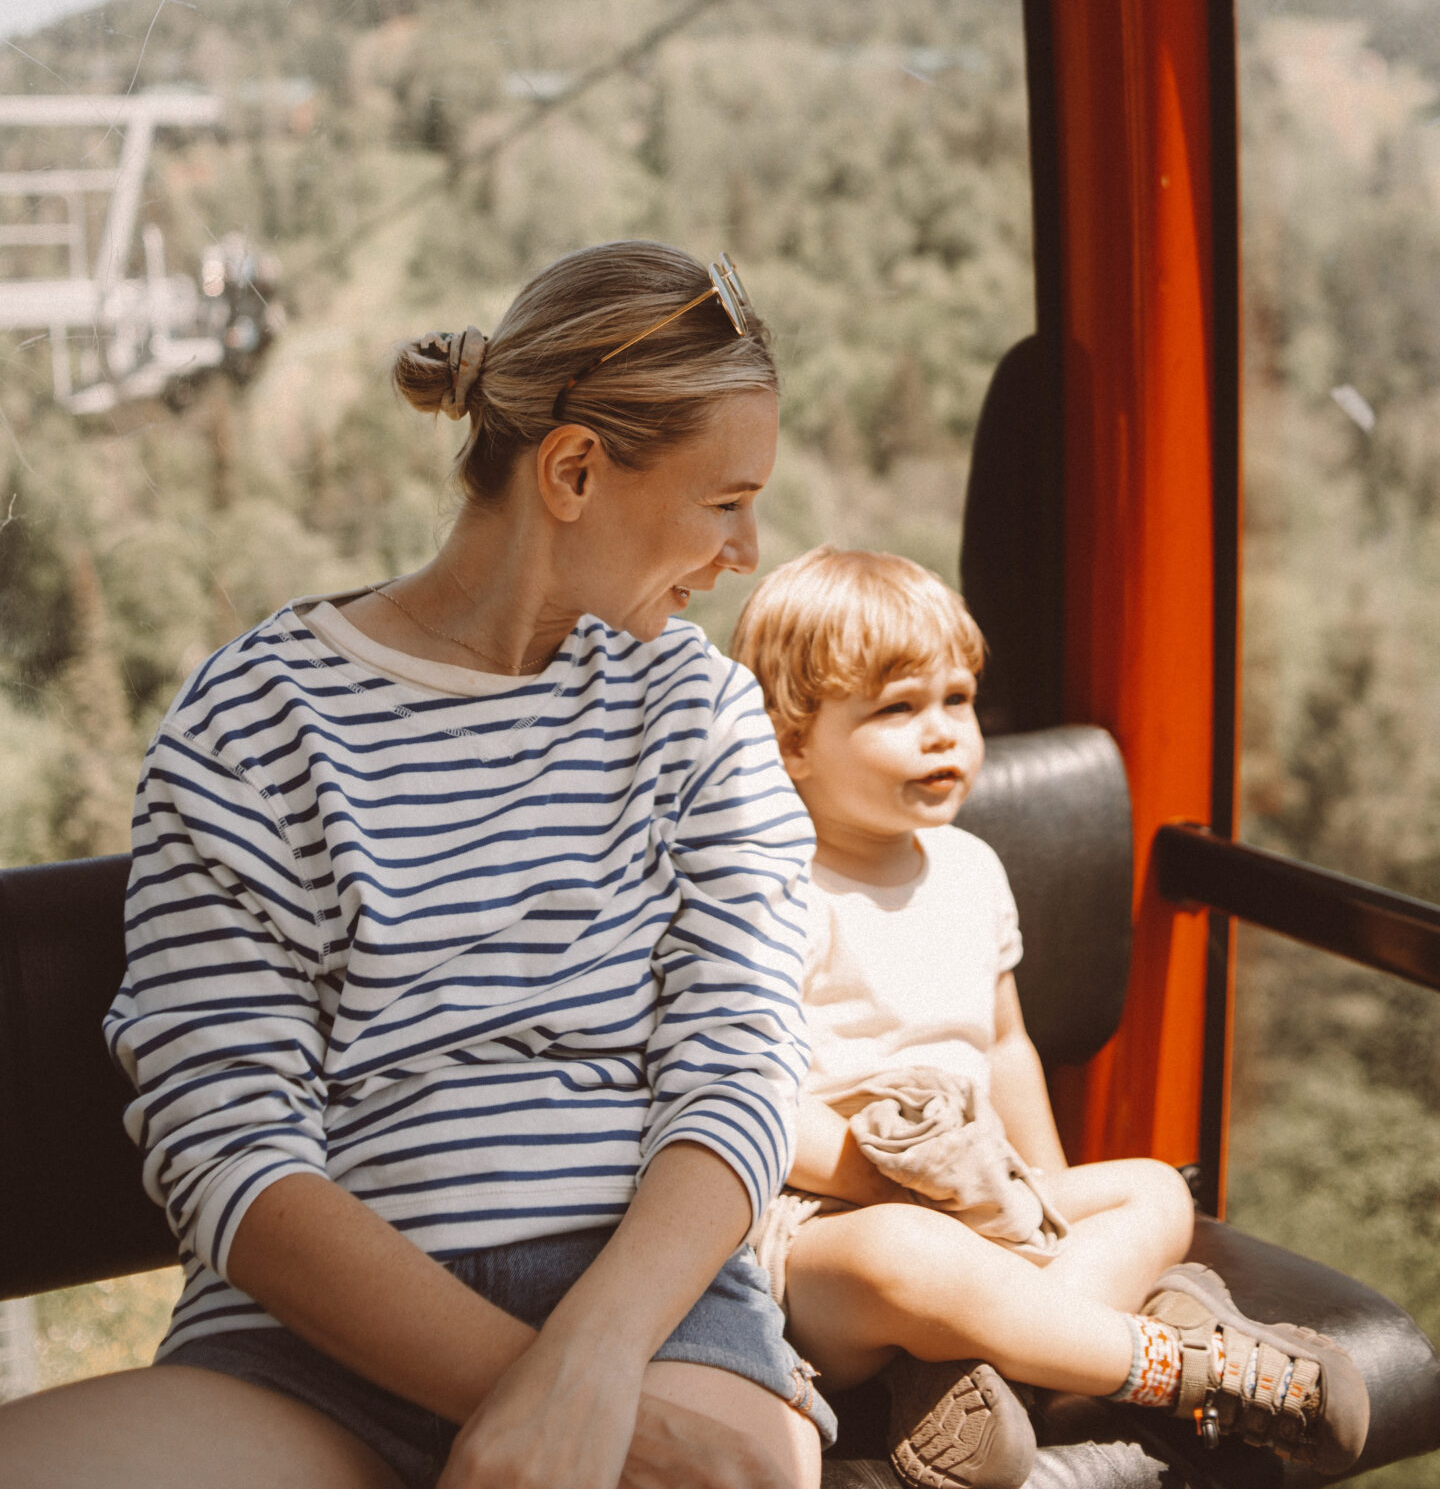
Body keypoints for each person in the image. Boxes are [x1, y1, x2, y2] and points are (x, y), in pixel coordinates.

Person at [0, 243, 833, 1489]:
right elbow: (228, 1138)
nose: (747, 552)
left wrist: (596, 1366)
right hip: (312, 1338)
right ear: (572, 470)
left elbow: (739, 1064)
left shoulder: (698, 713)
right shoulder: (256, 718)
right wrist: (541, 1395)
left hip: (644, 1311)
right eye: (726, 501)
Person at [731, 545, 1370, 1489]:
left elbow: (1007, 1044)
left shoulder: (971, 869)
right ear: (791, 742)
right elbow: (757, 1104)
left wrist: (1046, 1197)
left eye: (958, 701)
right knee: (904, 1258)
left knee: (1152, 1190)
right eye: (899, 709)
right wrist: (896, 1191)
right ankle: (1178, 1360)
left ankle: (972, 1378)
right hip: (830, 1218)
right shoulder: (773, 894)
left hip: (985, 1187)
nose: (944, 733)